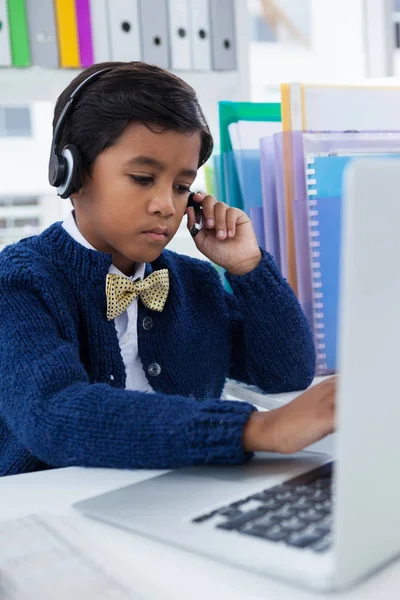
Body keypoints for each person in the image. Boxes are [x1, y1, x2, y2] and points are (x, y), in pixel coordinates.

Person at [0, 62, 335, 477]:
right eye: (143, 178)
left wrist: (248, 269)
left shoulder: (193, 283)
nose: (166, 205)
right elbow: (52, 415)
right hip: (50, 517)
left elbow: (286, 370)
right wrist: (253, 429)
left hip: (173, 498)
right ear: (71, 173)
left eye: (181, 186)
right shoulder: (22, 281)